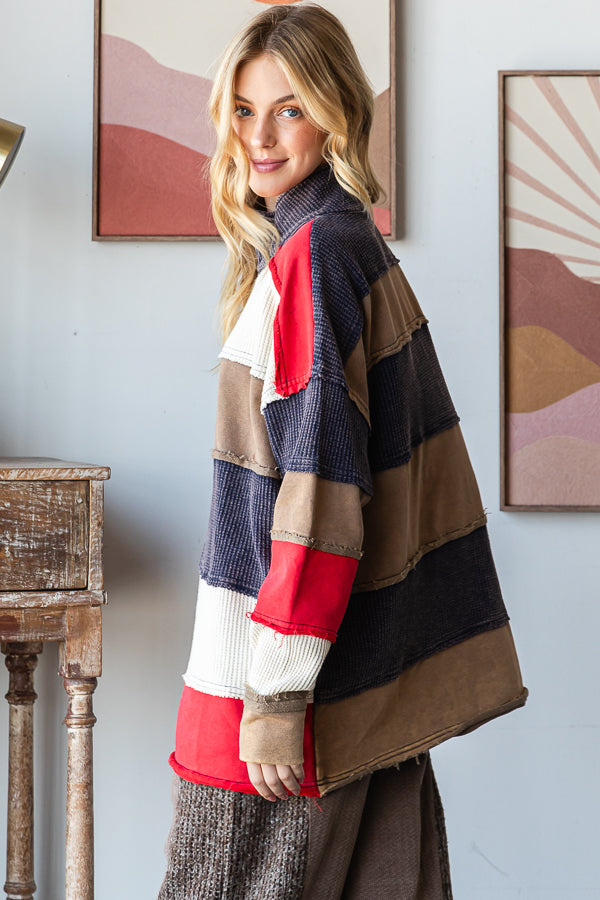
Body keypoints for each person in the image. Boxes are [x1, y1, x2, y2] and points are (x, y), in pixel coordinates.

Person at [158, 4, 527, 898]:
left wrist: (275, 699)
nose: (259, 137)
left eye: (288, 109)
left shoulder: (316, 258)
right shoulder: (342, 244)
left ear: (336, 115)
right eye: (243, 111)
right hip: (365, 683)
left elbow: (321, 496)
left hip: (293, 706)